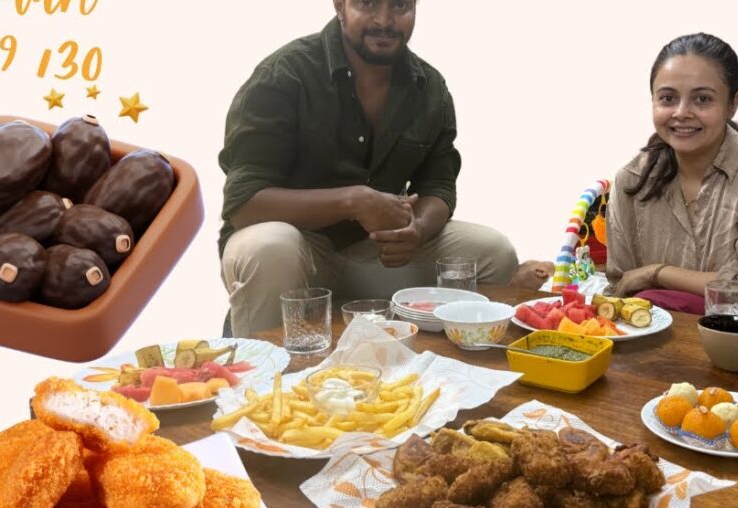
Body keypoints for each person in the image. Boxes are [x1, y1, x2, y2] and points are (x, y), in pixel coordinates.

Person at [218, 0, 518, 337]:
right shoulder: (285, 74)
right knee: (268, 246)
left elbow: (439, 184)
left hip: (377, 252)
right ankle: (262, 372)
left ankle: (446, 375)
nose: (384, 20)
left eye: (400, 5)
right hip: (297, 255)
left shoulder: (430, 88)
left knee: (493, 252)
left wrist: (416, 228)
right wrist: (353, 201)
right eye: (368, 3)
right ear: (340, 5)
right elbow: (243, 205)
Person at [606, 33, 738, 319]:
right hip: (648, 347)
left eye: (702, 99)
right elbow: (622, 287)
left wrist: (657, 274)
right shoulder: (631, 181)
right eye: (667, 98)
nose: (681, 113)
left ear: (732, 104)